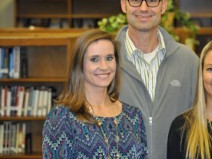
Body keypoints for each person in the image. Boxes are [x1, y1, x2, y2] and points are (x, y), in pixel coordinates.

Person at [115, 0, 199, 159]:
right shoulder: (105, 62)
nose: (144, 8)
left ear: (163, 5)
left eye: (152, 0)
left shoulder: (189, 61)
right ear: (124, 4)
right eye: (135, 0)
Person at [42, 30, 147, 158]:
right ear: (79, 65)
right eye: (94, 59)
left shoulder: (134, 116)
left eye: (109, 58)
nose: (104, 66)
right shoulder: (62, 117)